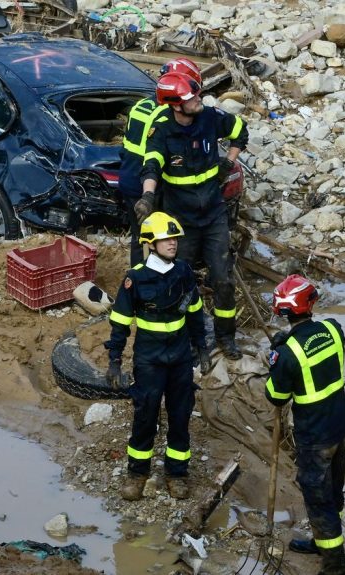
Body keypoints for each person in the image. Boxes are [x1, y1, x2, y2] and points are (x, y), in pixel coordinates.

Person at [138, 71, 249, 360]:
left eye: (197, 94)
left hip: (213, 216)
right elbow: (151, 166)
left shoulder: (211, 117)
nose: (199, 99)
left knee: (222, 280)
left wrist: (228, 162)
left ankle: (226, 338)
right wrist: (148, 196)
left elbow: (241, 132)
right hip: (182, 221)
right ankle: (188, 339)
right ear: (176, 105)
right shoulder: (161, 130)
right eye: (192, 97)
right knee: (181, 282)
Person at [104, 212, 210, 501]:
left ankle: (177, 474)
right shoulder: (135, 278)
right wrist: (114, 359)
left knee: (180, 414)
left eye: (174, 238)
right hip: (149, 359)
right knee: (145, 414)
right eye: (166, 239)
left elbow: (195, 312)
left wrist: (201, 347)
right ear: (150, 242)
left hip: (179, 358)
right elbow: (121, 322)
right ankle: (137, 474)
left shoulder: (184, 272)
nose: (173, 243)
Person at [264, 274, 345, 575]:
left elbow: (275, 397)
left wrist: (275, 360)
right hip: (341, 424)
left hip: (315, 435)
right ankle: (322, 540)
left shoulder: (287, 354)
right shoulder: (333, 329)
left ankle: (335, 566)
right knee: (334, 489)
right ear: (310, 304)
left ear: (283, 312)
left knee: (318, 498)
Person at [118, 57, 203, 267]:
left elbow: (125, 147)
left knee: (140, 237)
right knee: (164, 236)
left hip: (129, 179)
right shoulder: (167, 116)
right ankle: (161, 282)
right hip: (152, 185)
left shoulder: (142, 105)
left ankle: (139, 279)